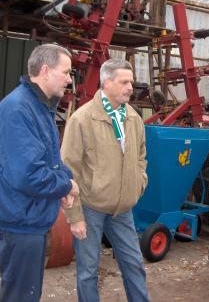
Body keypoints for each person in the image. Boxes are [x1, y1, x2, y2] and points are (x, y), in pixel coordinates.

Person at [61, 58, 149, 302]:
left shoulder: (133, 118)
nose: (130, 87)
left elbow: (141, 156)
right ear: (107, 82)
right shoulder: (82, 119)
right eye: (124, 82)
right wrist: (74, 217)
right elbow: (68, 171)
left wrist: (138, 183)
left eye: (131, 81)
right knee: (88, 272)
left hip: (123, 210)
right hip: (91, 208)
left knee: (134, 266)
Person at [0, 44, 79, 302]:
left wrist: (66, 180)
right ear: (45, 71)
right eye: (66, 72)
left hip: (29, 219)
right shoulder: (19, 109)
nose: (70, 79)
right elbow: (28, 175)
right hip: (19, 223)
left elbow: (50, 160)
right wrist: (66, 187)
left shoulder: (40, 107)